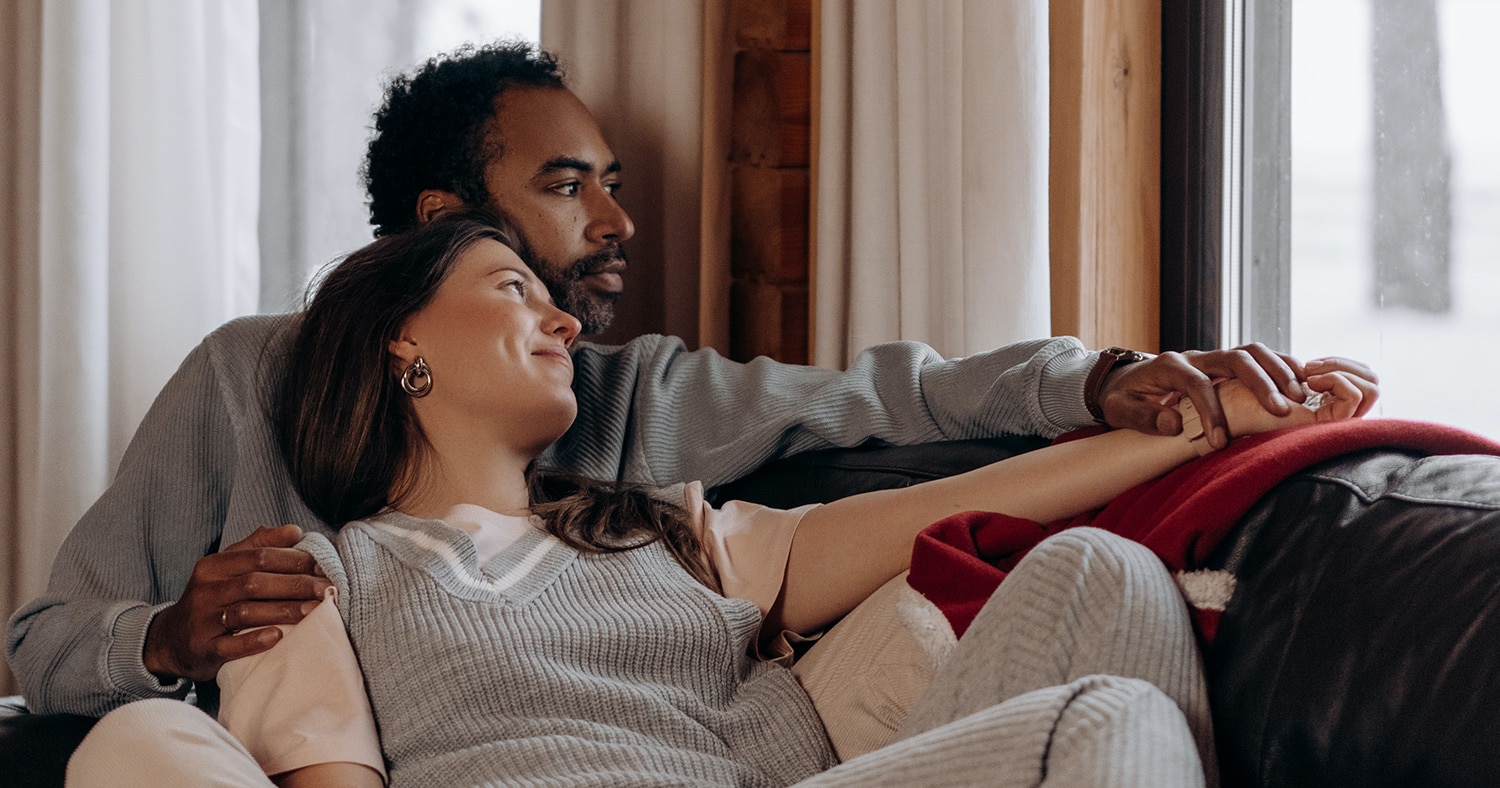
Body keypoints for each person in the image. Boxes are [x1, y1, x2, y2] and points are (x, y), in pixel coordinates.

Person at [6, 41, 1378, 719]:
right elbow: (39, 644)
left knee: (1108, 599)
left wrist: (1122, 385)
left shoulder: (629, 407)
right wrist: (170, 642)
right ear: (436, 225)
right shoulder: (251, 387)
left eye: (614, 186)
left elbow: (886, 396)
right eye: (563, 189)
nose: (615, 227)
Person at [65, 217, 1370, 787]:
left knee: (1108, 582)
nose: (562, 312)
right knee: (1113, 721)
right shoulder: (315, 581)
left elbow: (968, 488)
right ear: (401, 350)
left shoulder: (665, 527)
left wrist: (1190, 419)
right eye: (512, 287)